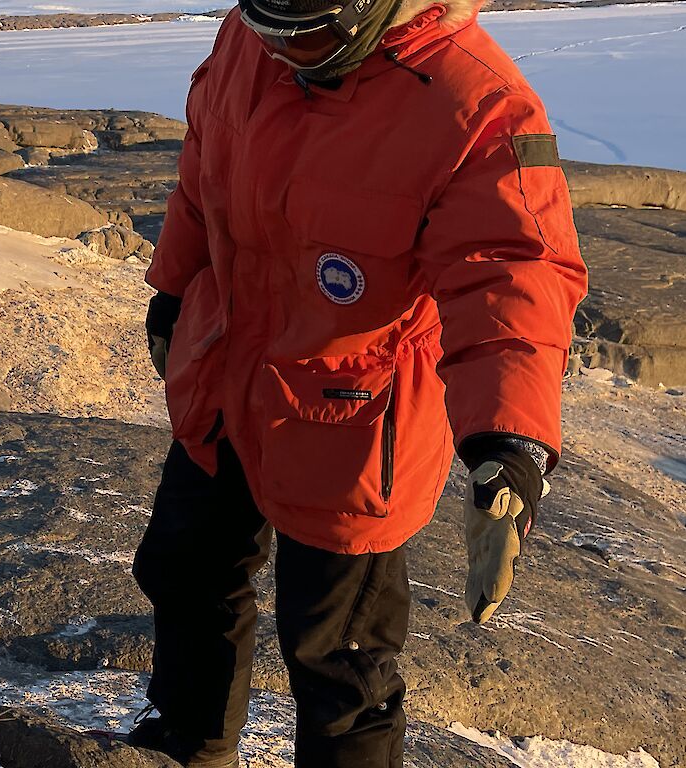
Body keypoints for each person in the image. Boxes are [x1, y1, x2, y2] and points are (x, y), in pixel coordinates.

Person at [131, 0, 588, 765]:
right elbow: (203, 165)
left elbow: (514, 273)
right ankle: (187, 744)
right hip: (227, 378)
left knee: (341, 657)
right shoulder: (252, 33)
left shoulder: (475, 106)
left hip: (354, 419)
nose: (282, 48)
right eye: (269, 24)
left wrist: (510, 440)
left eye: (307, 34)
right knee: (185, 572)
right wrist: (174, 288)